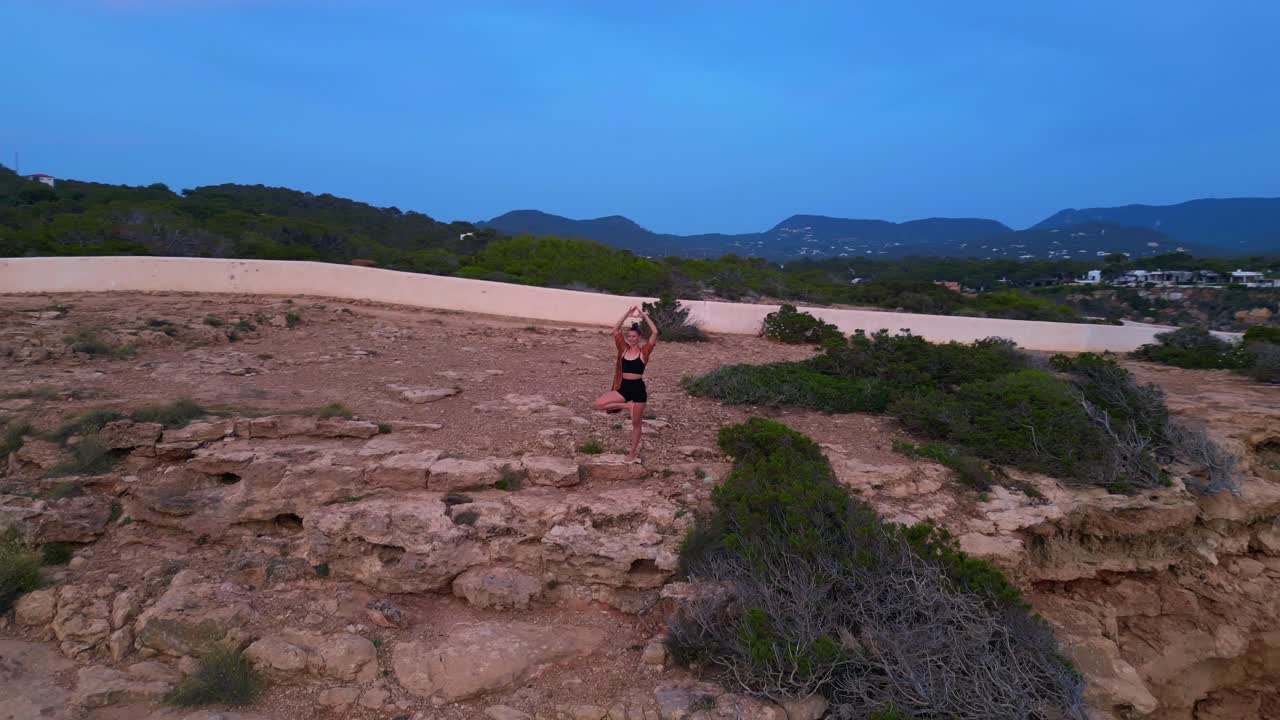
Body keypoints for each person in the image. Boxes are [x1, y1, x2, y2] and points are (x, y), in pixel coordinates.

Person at [592, 304, 659, 463]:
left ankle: (633, 452)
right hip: (624, 388)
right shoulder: (623, 349)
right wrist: (626, 315)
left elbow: (655, 332)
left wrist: (644, 315)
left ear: (639, 338)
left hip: (638, 390)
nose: (630, 338)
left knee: (636, 423)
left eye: (634, 336)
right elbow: (615, 330)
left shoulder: (644, 352)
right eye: (629, 336)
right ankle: (627, 406)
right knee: (600, 404)